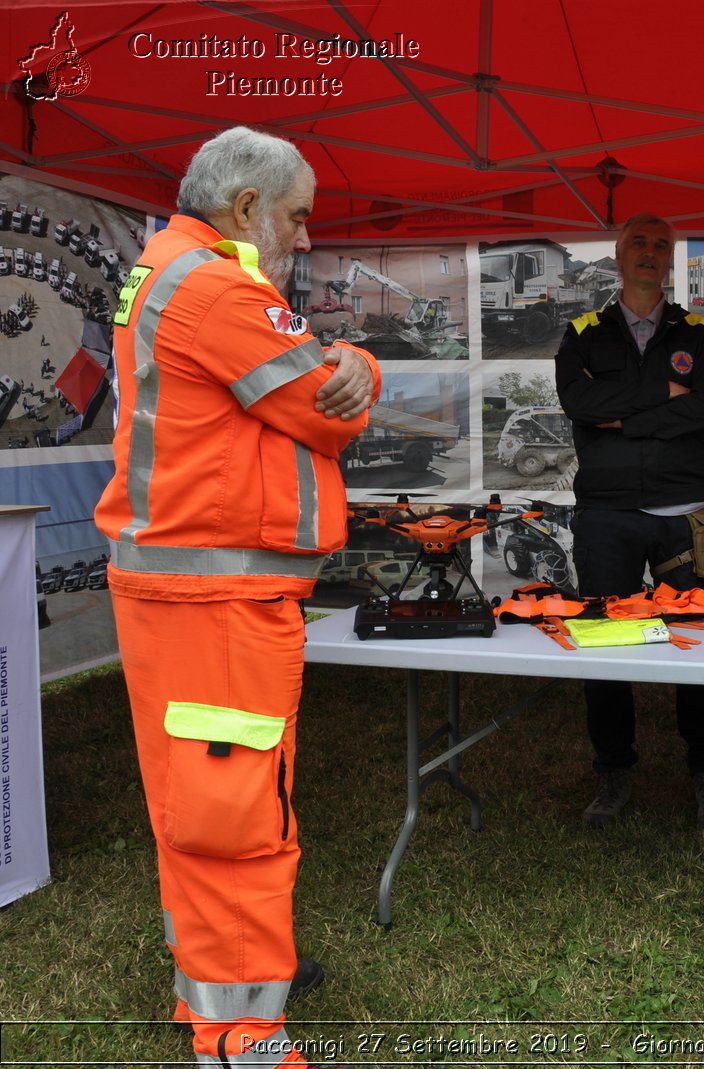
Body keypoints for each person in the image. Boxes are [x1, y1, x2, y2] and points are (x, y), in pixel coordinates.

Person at [93, 127, 379, 1068]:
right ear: (249, 206)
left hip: (189, 595)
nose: (304, 237)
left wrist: (339, 363)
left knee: (200, 804)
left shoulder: (168, 268)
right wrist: (361, 366)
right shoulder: (218, 285)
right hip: (214, 600)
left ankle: (206, 997)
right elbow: (325, 411)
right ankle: (243, 1033)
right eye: (298, 217)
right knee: (236, 816)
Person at [554, 212, 704, 831]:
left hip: (682, 514)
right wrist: (664, 395)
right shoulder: (584, 331)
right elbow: (579, 404)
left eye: (662, 245)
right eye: (639, 242)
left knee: (696, 647)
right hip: (606, 515)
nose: (650, 253)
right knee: (606, 644)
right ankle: (613, 771)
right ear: (619, 252)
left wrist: (623, 418)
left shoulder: (699, 331)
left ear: (671, 256)